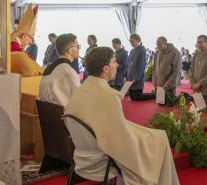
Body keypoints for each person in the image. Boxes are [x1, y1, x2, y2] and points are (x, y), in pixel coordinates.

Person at [65, 47, 179, 185]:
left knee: (150, 136)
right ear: (106, 68)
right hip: (100, 157)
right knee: (159, 140)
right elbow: (121, 141)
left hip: (82, 153)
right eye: (114, 61)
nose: (117, 65)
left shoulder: (81, 89)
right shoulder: (109, 95)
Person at [38, 33, 81, 106]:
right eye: (77, 46)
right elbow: (80, 98)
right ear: (70, 51)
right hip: (65, 116)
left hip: (49, 116)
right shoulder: (68, 71)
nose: (79, 48)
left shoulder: (47, 69)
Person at [10, 4, 43, 77]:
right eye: (30, 38)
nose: (30, 43)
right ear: (24, 36)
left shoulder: (11, 43)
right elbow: (32, 70)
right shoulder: (14, 47)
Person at [153, 37, 181, 107]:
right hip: (159, 83)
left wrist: (169, 82)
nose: (158, 47)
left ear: (165, 43)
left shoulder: (175, 52)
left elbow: (176, 70)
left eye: (159, 45)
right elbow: (155, 67)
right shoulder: (158, 52)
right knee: (160, 104)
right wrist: (154, 78)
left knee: (169, 105)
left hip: (169, 83)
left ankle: (184, 97)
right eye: (157, 45)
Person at [126, 34, 155, 101]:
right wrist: (126, 76)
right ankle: (152, 93)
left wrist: (136, 78)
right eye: (130, 41)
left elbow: (141, 65)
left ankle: (154, 95)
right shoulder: (132, 51)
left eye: (132, 41)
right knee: (132, 98)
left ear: (138, 40)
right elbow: (127, 64)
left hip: (137, 79)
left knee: (138, 98)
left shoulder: (142, 49)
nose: (131, 43)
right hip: (130, 78)